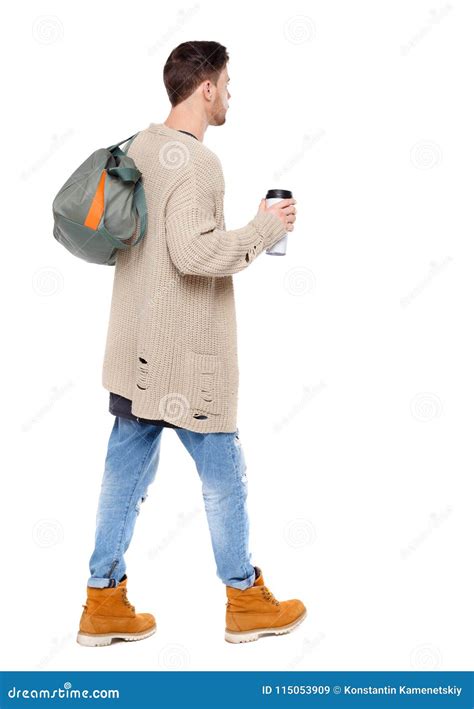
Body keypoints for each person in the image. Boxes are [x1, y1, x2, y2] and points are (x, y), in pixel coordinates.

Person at [77, 40, 305, 647]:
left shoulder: (141, 146)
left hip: (134, 354)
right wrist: (266, 228)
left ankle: (102, 603)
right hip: (187, 359)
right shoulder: (199, 163)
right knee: (224, 475)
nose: (230, 93)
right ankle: (244, 599)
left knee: (122, 476)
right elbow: (195, 252)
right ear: (205, 87)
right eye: (227, 83)